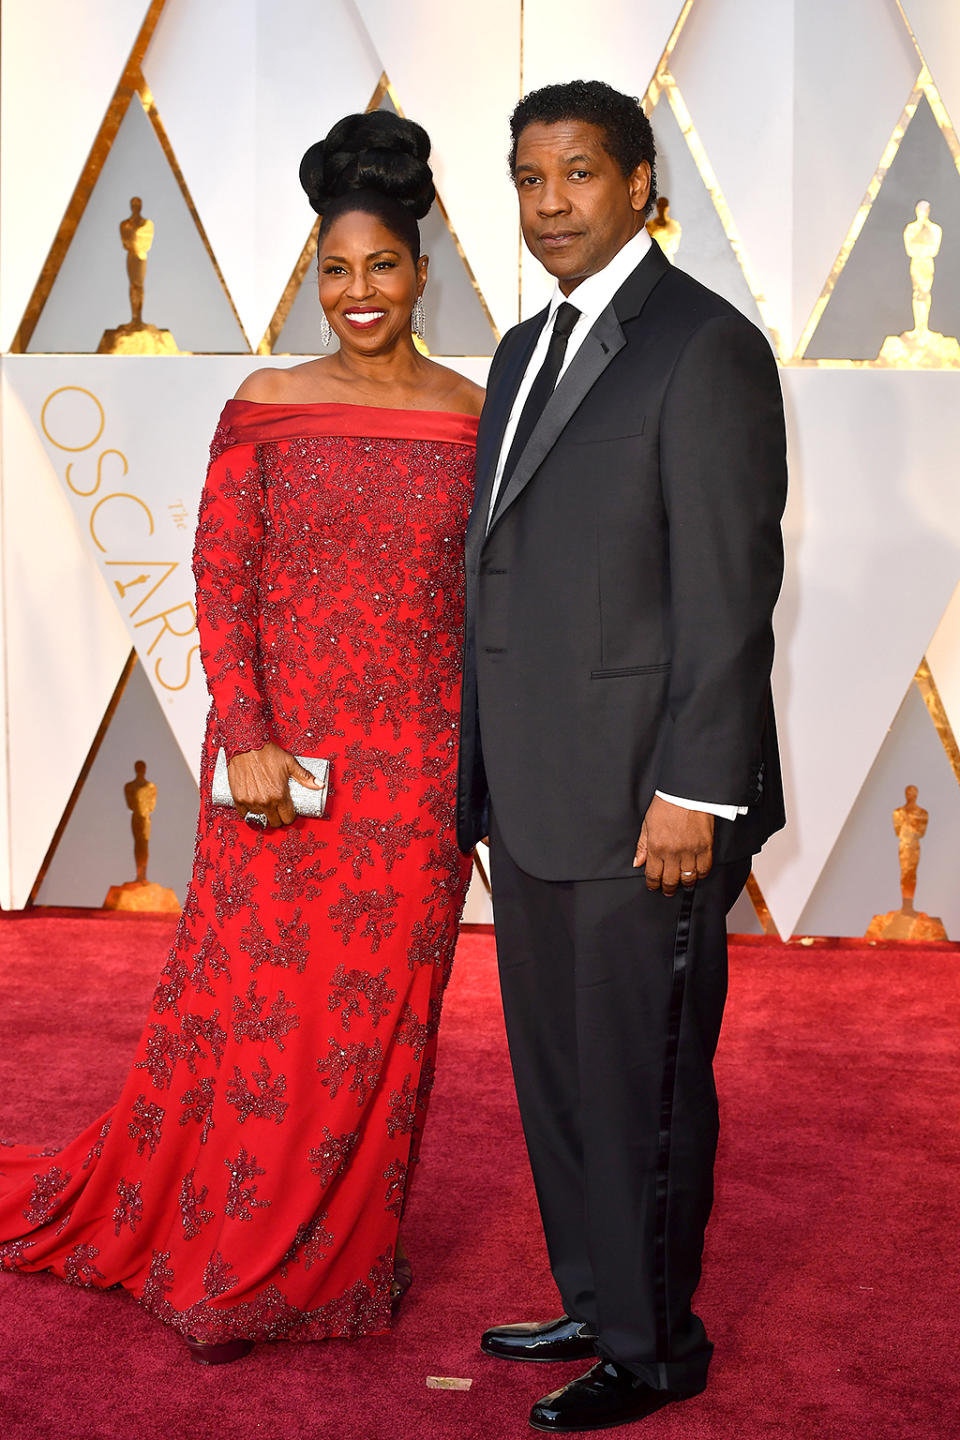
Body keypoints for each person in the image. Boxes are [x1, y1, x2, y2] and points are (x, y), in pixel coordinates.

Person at [0, 110, 483, 1364]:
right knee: (260, 1013)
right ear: (311, 276)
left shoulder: (476, 416)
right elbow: (225, 579)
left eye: (382, 265)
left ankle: (339, 1266)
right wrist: (251, 737)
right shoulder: (267, 403)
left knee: (381, 1027)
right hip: (284, 773)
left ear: (423, 268)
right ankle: (230, 1254)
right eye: (336, 268)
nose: (359, 291)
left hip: (419, 783)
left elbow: (493, 605)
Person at [456, 81, 787, 1432]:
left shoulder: (705, 347)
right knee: (558, 1077)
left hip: (650, 804)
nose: (551, 205)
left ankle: (654, 1351)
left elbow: (729, 586)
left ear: (642, 182)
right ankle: (595, 1298)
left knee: (644, 1082)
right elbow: (500, 579)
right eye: (530, 180)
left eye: (579, 175)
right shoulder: (524, 347)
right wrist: (479, 779)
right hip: (533, 796)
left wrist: (694, 790)